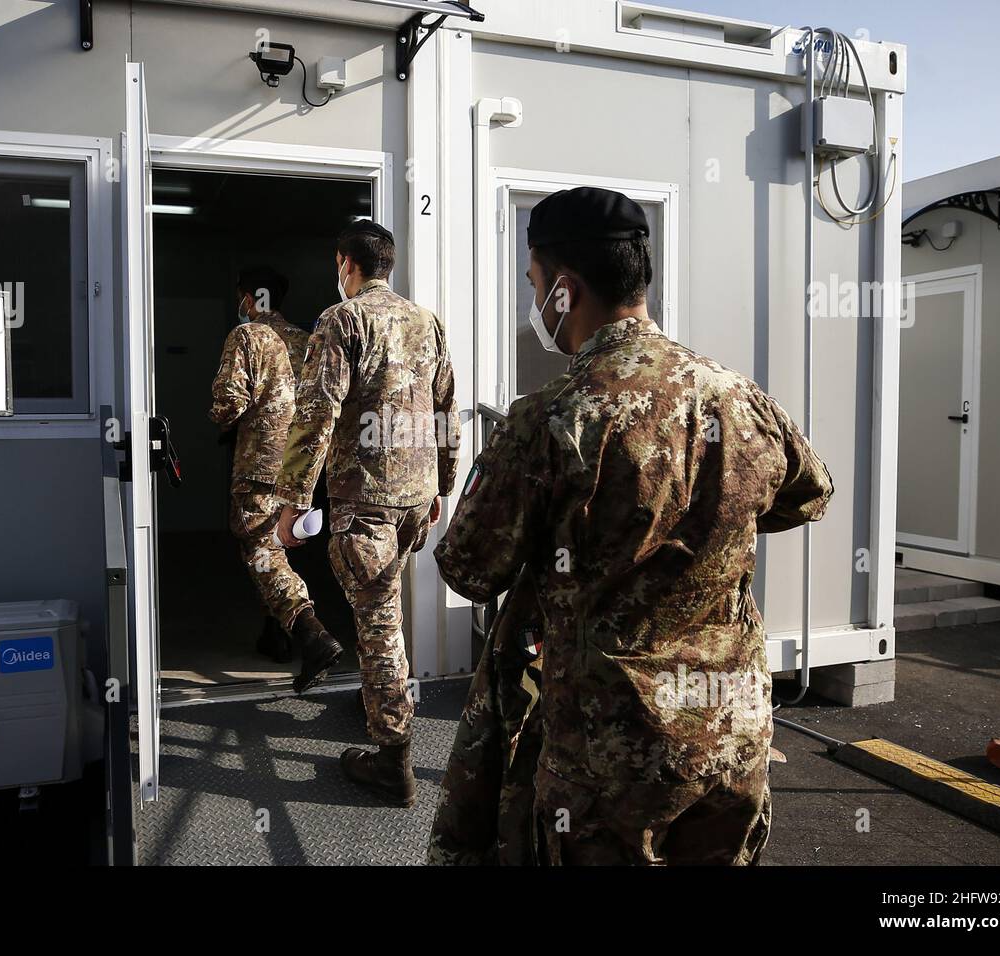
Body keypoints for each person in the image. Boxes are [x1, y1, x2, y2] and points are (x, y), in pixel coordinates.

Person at [433, 187, 834, 864]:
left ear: (564, 290)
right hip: (731, 737)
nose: (536, 304)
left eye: (535, 285)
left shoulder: (550, 416)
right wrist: (700, 525)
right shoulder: (735, 394)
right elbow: (808, 493)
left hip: (608, 758)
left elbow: (470, 568)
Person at [275, 220, 459, 807]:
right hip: (412, 499)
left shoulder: (341, 319)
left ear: (345, 265)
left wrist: (293, 502)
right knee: (383, 613)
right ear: (389, 265)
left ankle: (394, 761)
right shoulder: (425, 322)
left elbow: (316, 413)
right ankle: (382, 700)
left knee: (379, 625)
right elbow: (445, 407)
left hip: (367, 503)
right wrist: (442, 486)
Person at [211, 266, 342, 685]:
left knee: (260, 551)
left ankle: (310, 633)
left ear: (249, 299)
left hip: (257, 464)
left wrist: (222, 420)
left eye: (242, 298)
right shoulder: (307, 343)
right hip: (299, 467)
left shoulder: (247, 335)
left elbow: (228, 402)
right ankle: (275, 634)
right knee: (278, 548)